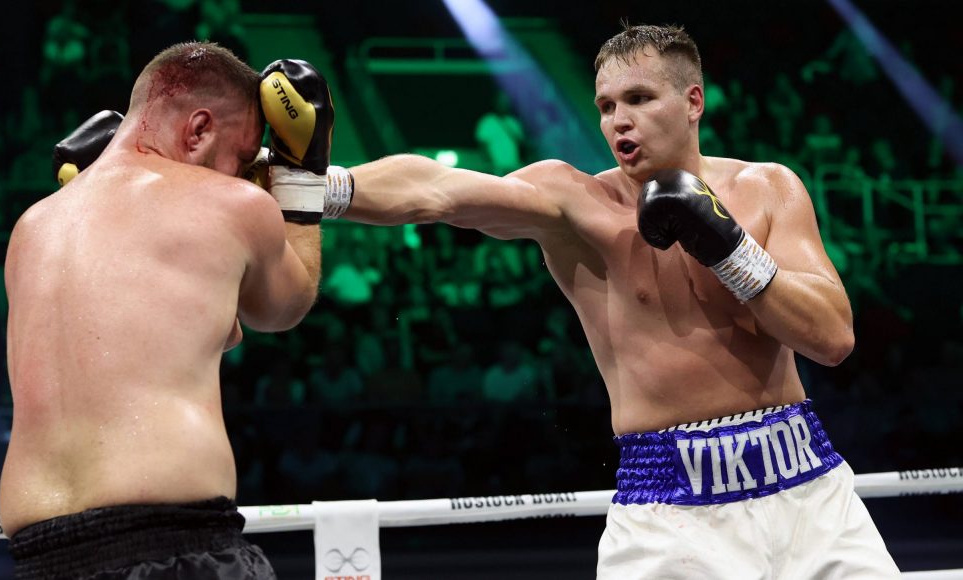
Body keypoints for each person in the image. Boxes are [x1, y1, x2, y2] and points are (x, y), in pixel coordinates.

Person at [330, 24, 900, 578]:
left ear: (693, 101)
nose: (618, 121)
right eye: (606, 106)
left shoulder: (768, 188)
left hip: (807, 489)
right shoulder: (575, 203)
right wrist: (319, 185)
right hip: (670, 515)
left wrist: (727, 247)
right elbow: (436, 190)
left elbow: (833, 338)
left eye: (639, 98)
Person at [0, 42, 335, 579]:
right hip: (173, 545)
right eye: (243, 157)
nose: (243, 175)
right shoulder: (231, 205)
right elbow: (284, 308)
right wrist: (301, 177)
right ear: (198, 130)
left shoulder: (33, 226)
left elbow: (192, 336)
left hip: (40, 556)